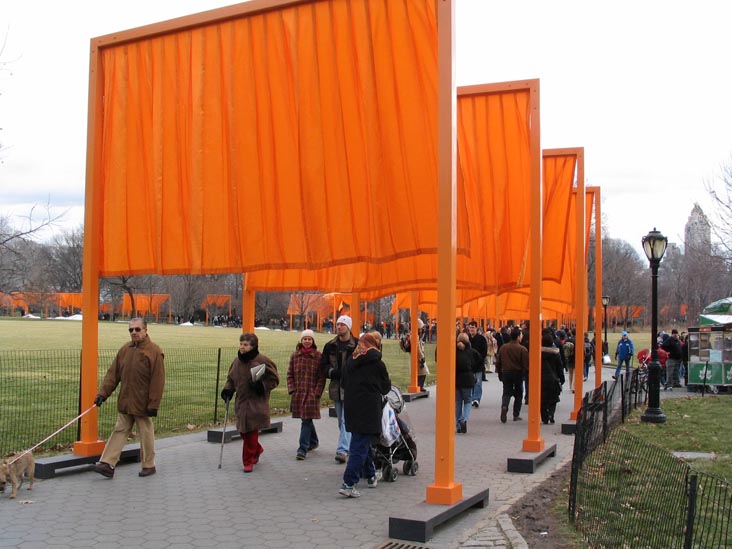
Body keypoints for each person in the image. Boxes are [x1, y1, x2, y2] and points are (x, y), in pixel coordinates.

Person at [94, 317, 165, 479]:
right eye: (131, 330)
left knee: (146, 433)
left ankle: (149, 465)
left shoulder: (154, 351)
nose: (134, 332)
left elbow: (158, 380)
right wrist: (102, 394)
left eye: (137, 329)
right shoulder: (124, 350)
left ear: (145, 330)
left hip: (143, 404)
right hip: (126, 401)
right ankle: (107, 464)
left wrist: (153, 404)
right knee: (119, 430)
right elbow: (113, 375)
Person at [338, 333, 391, 498]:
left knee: (362, 440)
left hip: (352, 405)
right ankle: (349, 483)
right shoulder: (378, 364)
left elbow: (343, 383)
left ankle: (371, 475)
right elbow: (385, 387)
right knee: (359, 447)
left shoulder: (350, 361)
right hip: (369, 407)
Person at [220, 332, 279, 473]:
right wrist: (228, 390)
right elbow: (231, 379)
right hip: (241, 402)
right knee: (243, 432)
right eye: (241, 344)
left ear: (253, 346)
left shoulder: (262, 360)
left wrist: (261, 386)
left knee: (251, 433)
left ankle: (248, 461)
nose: (242, 347)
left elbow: (274, 379)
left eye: (245, 345)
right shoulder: (236, 361)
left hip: (256, 403)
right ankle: (257, 449)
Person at [320, 315, 357, 463]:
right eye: (338, 324)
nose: (339, 327)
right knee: (341, 420)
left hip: (352, 388)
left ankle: (342, 449)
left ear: (349, 327)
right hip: (336, 387)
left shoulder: (357, 345)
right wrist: (332, 372)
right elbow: (323, 365)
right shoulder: (330, 346)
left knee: (346, 420)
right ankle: (351, 446)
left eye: (342, 324)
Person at [287, 329, 326, 460]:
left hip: (311, 394)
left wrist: (317, 393)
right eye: (305, 339)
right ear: (301, 340)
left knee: (306, 420)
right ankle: (313, 442)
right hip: (299, 392)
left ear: (313, 341)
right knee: (306, 419)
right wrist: (292, 389)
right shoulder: (295, 356)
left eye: (309, 339)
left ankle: (302, 448)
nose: (307, 341)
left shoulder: (318, 356)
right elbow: (290, 374)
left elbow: (321, 377)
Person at [496, 327, 529, 423]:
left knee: (506, 392)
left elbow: (498, 362)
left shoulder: (503, 347)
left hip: (506, 372)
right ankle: (516, 414)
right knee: (518, 394)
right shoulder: (522, 349)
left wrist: (500, 373)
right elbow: (526, 364)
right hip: (518, 373)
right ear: (518, 337)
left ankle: (504, 406)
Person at [455, 332, 480, 433]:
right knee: (468, 401)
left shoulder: (454, 352)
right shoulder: (471, 352)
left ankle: (458, 425)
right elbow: (479, 360)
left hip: (457, 379)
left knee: (458, 402)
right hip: (468, 379)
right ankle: (464, 419)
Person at [540, 333, 564, 424]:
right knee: (553, 398)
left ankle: (544, 417)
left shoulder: (538, 353)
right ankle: (551, 413)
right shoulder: (556, 353)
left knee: (542, 399)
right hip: (553, 378)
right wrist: (561, 378)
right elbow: (559, 367)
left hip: (540, 378)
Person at [399, 319, 429, 391]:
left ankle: (419, 386)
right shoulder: (415, 336)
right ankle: (419, 386)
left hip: (415, 357)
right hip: (417, 358)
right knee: (423, 372)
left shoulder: (413, 335)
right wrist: (422, 357)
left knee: (420, 372)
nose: (422, 330)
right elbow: (417, 348)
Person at [467, 321, 488, 408]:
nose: (471, 329)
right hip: (468, 365)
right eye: (470, 327)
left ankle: (476, 399)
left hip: (478, 365)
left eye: (473, 327)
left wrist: (479, 361)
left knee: (478, 383)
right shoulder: (467, 339)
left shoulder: (481, 339)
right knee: (470, 382)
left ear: (476, 328)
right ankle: (471, 398)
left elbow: (484, 352)